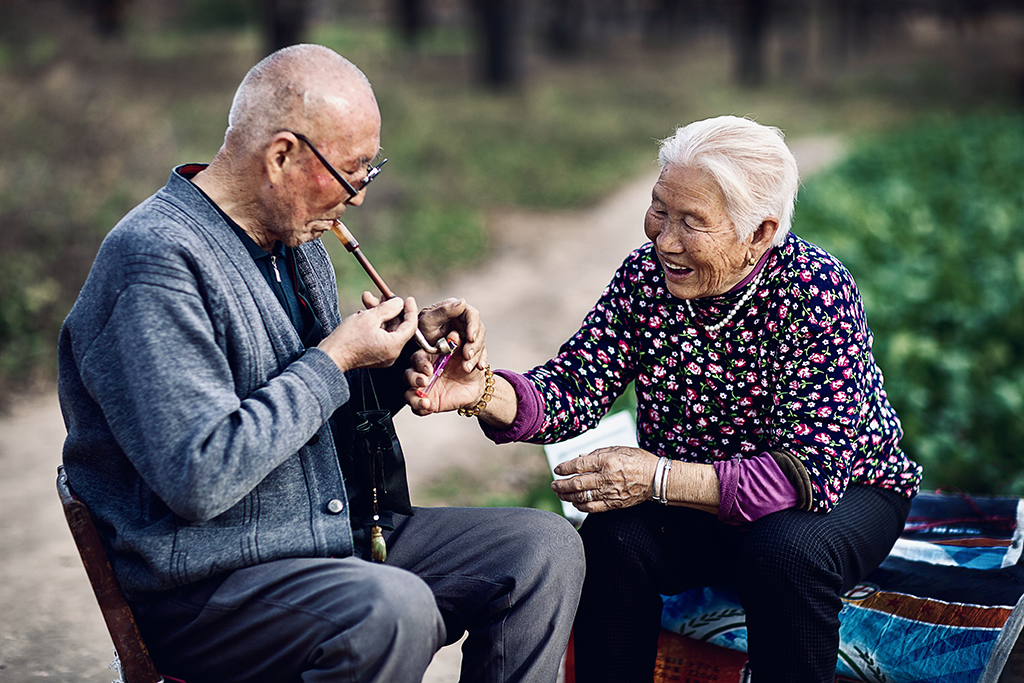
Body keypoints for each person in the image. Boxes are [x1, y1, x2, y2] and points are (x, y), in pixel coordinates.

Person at [58, 44, 584, 683]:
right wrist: (335, 360)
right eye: (352, 172)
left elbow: (308, 415)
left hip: (331, 540)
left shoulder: (292, 240)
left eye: (371, 170)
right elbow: (200, 477)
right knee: (392, 609)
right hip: (211, 586)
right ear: (281, 155)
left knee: (542, 549)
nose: (359, 197)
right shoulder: (154, 263)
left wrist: (400, 358)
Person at [407, 115, 923, 683]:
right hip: (694, 492)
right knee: (610, 542)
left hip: (837, 493)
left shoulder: (814, 291)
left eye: (691, 223)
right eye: (659, 209)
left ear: (759, 233)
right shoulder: (645, 279)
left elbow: (803, 476)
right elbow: (574, 385)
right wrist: (479, 390)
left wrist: (656, 479)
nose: (663, 239)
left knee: (782, 557)